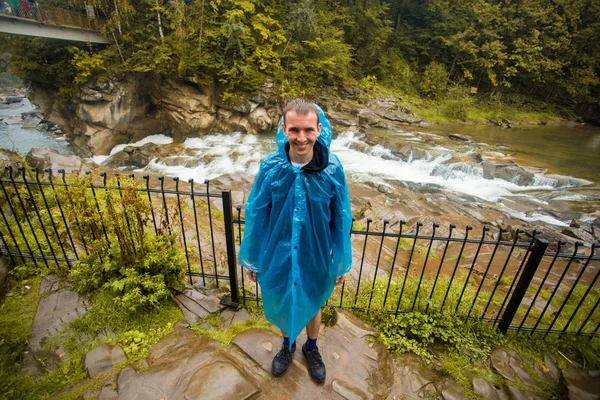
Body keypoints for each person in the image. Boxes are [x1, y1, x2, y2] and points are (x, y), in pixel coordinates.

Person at [238, 99, 353, 384]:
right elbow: (257, 212)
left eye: (308, 130)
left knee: (313, 300)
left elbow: (341, 217)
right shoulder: (272, 166)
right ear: (283, 129)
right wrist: (253, 257)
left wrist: (340, 261)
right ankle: (287, 345)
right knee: (282, 296)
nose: (301, 138)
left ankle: (311, 347)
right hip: (278, 249)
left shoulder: (332, 168)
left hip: (315, 251)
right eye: (294, 130)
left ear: (319, 129)